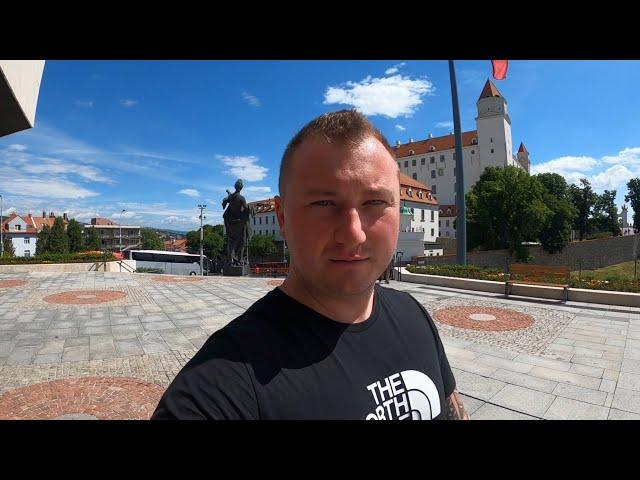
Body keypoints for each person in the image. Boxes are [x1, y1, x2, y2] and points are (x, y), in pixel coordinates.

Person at [152, 110, 469, 420]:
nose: (353, 233)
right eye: (324, 203)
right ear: (282, 217)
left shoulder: (414, 315)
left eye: (374, 202)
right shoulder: (223, 384)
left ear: (398, 211)